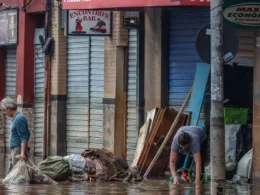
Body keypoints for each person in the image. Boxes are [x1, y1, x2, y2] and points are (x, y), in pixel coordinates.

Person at [0, 97, 30, 172]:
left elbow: (24, 137)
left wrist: (22, 153)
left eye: (4, 110)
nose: (4, 113)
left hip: (18, 149)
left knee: (17, 173)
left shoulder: (19, 119)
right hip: (14, 149)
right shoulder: (15, 118)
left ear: (9, 108)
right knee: (12, 172)